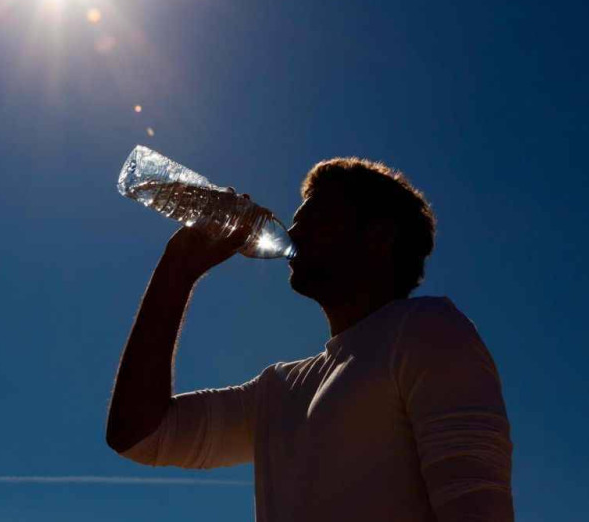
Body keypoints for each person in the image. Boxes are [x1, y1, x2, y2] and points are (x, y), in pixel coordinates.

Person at [106, 157, 514, 521]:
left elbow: (476, 506)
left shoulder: (428, 329)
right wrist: (178, 268)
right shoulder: (278, 390)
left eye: (316, 218)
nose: (294, 230)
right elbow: (139, 434)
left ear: (378, 237)